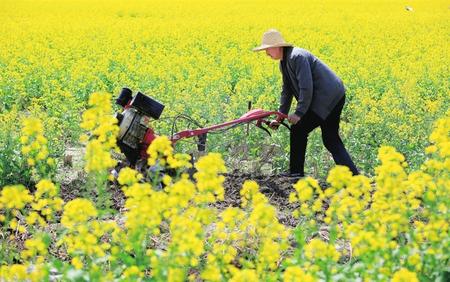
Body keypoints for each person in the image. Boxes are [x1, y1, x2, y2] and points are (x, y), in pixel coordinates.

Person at [253, 29, 359, 177]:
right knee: (330, 139)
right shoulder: (284, 62)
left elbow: (306, 87)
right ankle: (354, 177)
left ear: (278, 46)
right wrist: (280, 117)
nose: (266, 53)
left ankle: (296, 174)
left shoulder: (297, 57)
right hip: (331, 96)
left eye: (268, 49)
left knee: (298, 129)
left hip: (327, 96)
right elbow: (287, 91)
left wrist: (299, 113)